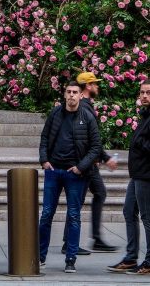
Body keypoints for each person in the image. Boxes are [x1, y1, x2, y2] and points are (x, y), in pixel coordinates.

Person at [39, 81, 102, 274]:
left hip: (75, 174)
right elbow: (44, 138)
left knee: (74, 216)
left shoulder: (87, 117)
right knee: (46, 214)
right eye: (69, 92)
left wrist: (80, 167)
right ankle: (39, 256)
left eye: (75, 92)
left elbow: (96, 146)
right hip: (54, 171)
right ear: (64, 94)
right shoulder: (55, 114)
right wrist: (44, 160)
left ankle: (71, 259)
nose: (72, 95)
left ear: (81, 95)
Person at [61, 72, 118, 254]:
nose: (97, 87)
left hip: (87, 162)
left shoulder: (85, 106)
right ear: (87, 86)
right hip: (85, 164)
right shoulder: (84, 107)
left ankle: (88, 239)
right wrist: (106, 158)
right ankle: (75, 242)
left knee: (93, 195)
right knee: (84, 198)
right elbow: (92, 140)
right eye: (94, 84)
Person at [107, 79, 150, 275]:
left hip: (146, 176)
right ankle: (131, 257)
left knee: (147, 218)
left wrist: (140, 142)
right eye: (142, 92)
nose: (144, 96)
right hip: (137, 175)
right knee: (128, 211)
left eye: (148, 93)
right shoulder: (145, 115)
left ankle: (149, 261)